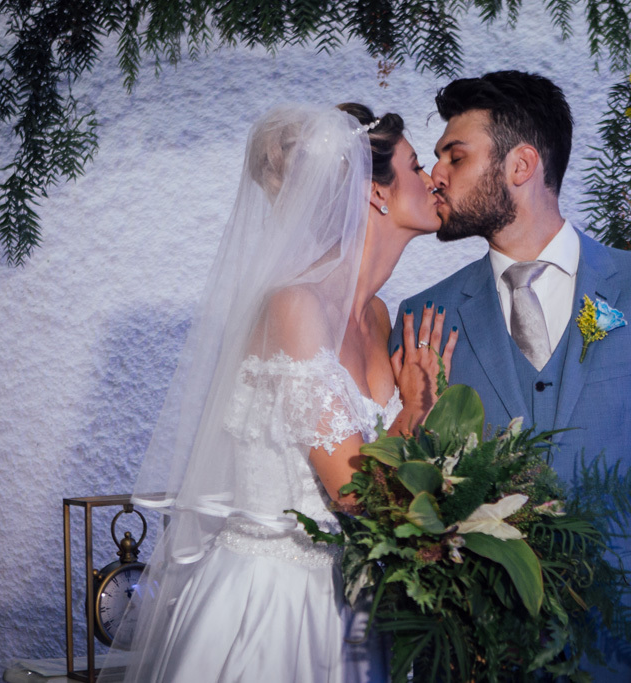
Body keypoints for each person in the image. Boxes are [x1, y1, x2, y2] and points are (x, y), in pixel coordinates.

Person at [103, 103, 457, 683]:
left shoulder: (377, 317)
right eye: (417, 166)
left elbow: (397, 481)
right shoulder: (294, 305)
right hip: (276, 604)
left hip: (360, 608)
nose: (432, 179)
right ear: (376, 193)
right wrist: (416, 409)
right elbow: (351, 490)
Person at [392, 71, 631, 682]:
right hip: (480, 657)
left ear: (521, 165)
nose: (436, 173)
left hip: (626, 651)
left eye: (454, 155)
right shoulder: (423, 321)